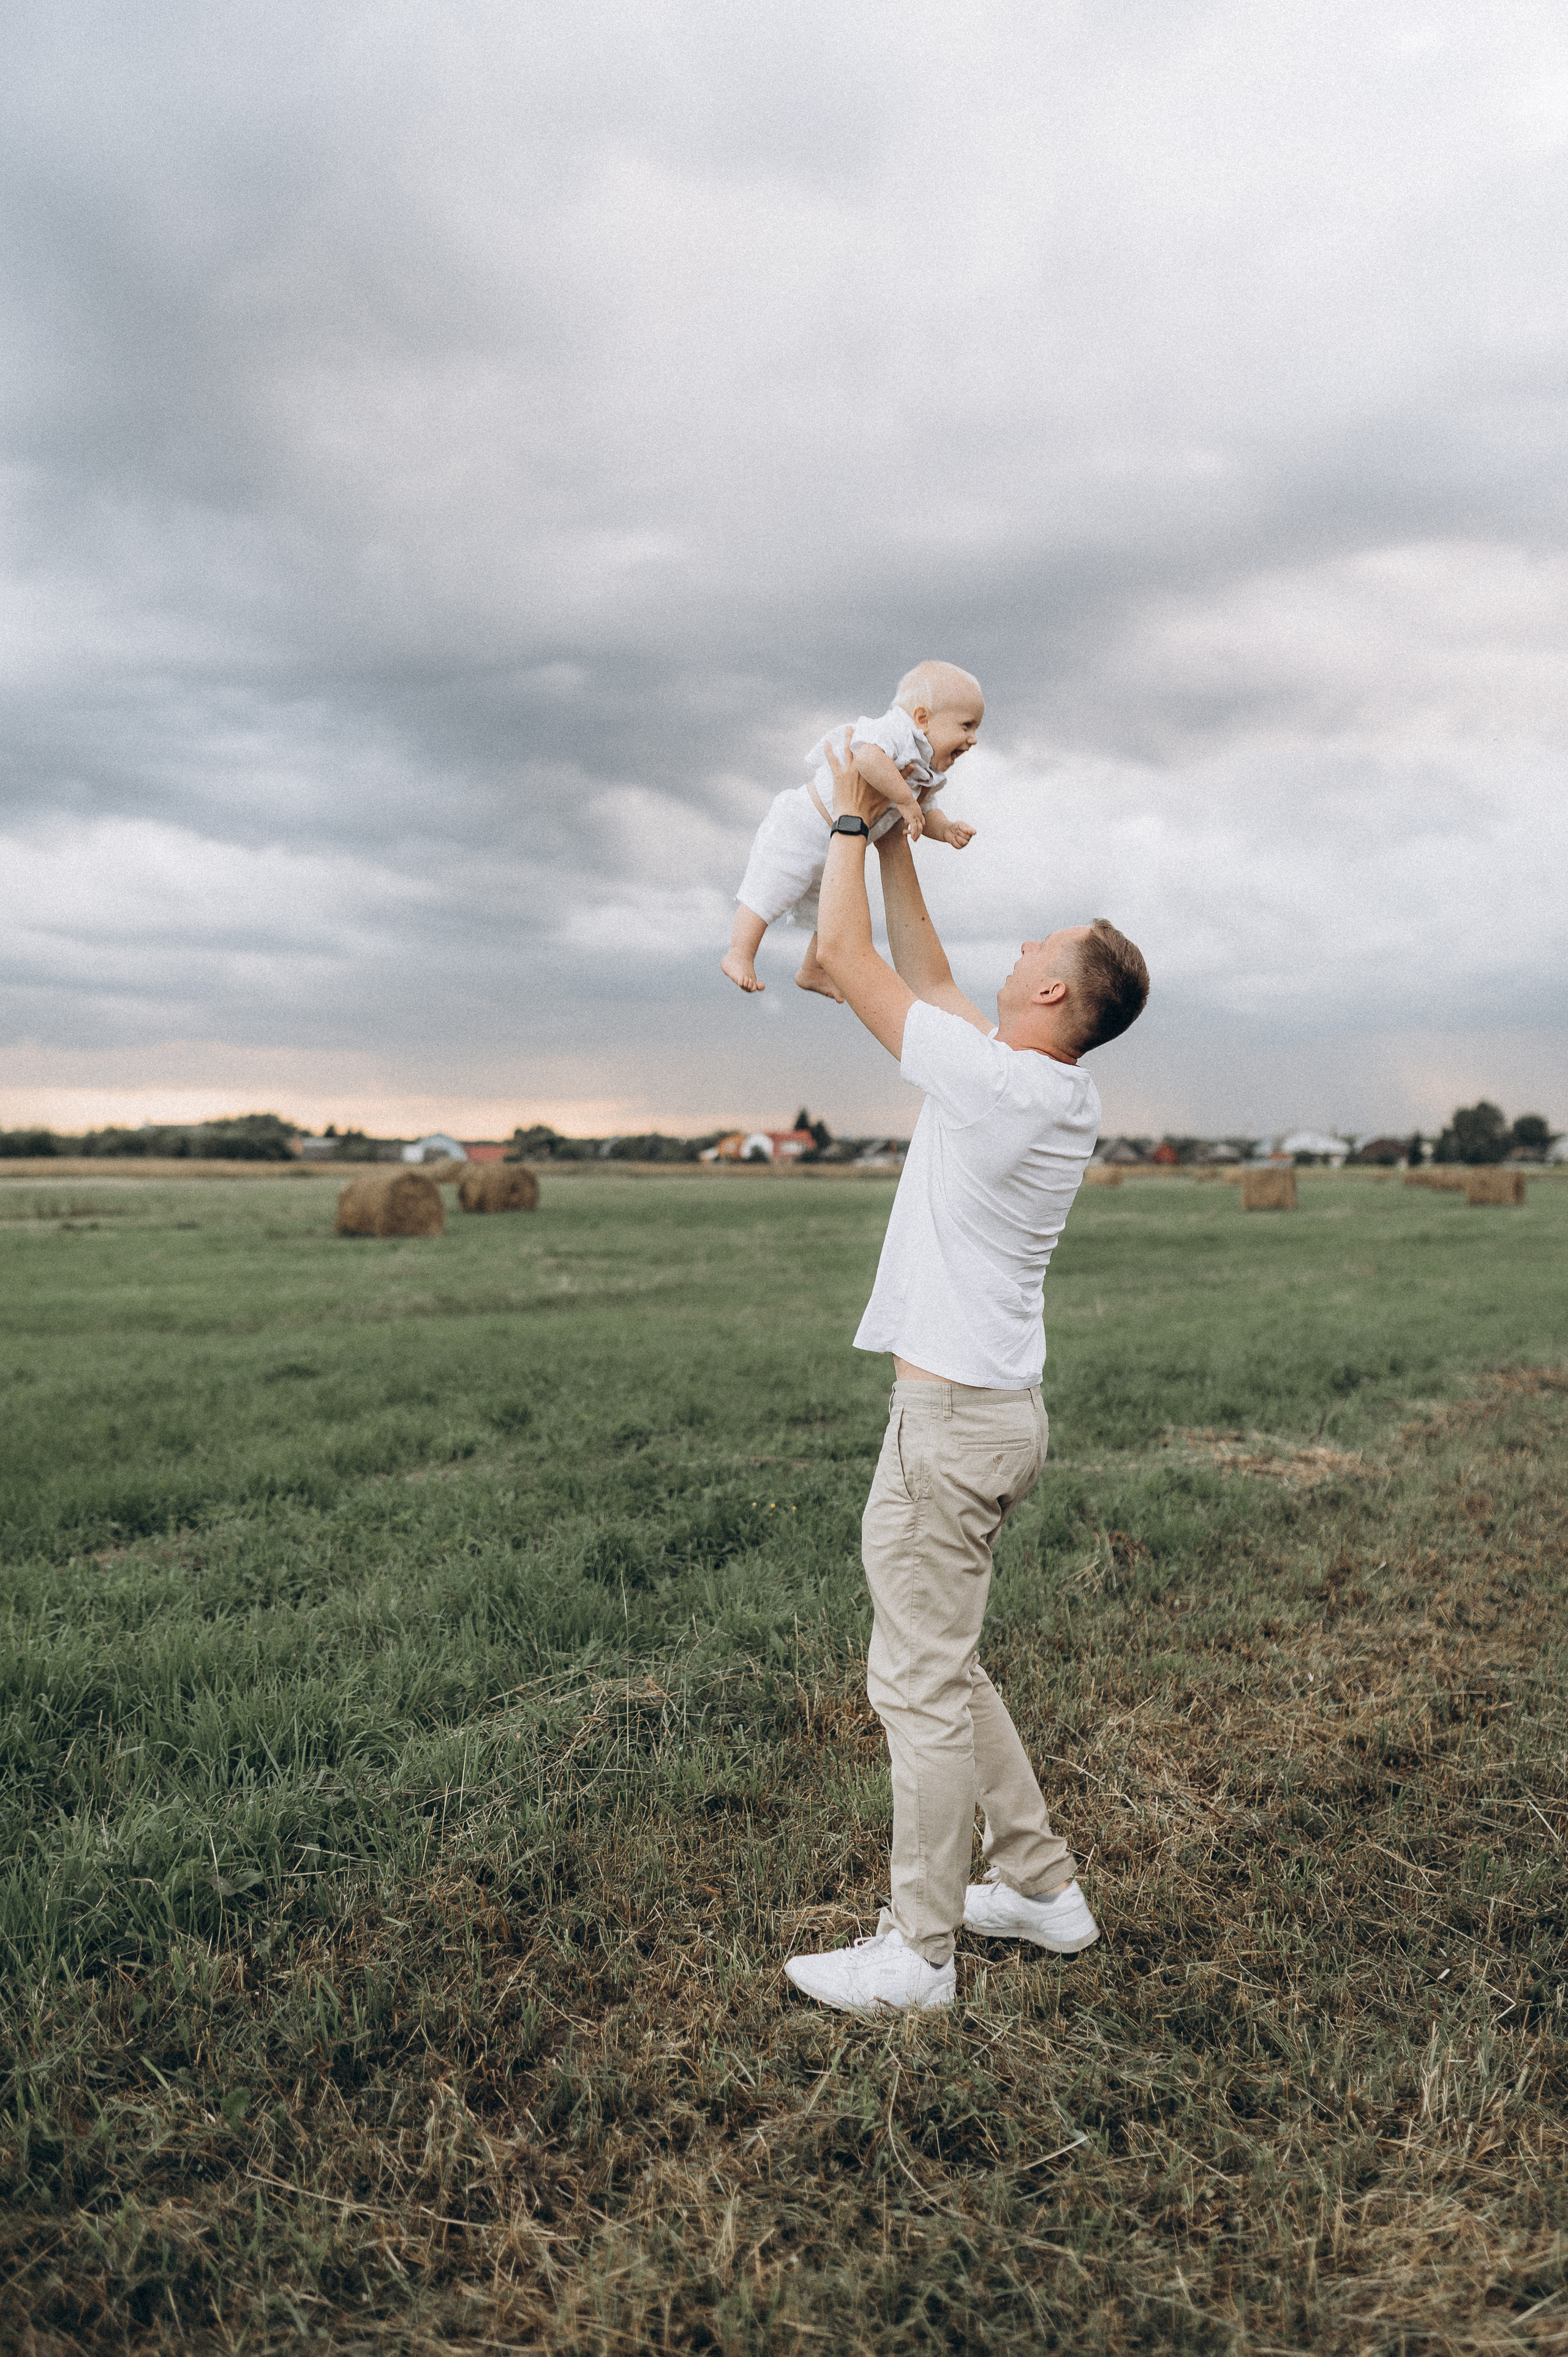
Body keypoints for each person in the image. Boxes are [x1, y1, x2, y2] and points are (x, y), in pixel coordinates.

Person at [783, 740, 1149, 2015]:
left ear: (1053, 991)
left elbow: (841, 962)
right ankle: (1041, 1890)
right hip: (989, 1416)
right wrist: (893, 837)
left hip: (950, 1424)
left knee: (917, 1685)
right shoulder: (1047, 1086)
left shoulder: (996, 1086)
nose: (1005, 958)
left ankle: (920, 1954)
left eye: (1027, 952)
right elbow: (923, 971)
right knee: (948, 1662)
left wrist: (839, 812)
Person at [722, 660, 984, 1002]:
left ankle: (813, 970)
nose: (973, 739)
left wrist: (945, 829)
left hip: (839, 844)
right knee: (770, 888)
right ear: (922, 719)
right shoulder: (895, 731)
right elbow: (868, 761)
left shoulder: (928, 770)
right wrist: (904, 800)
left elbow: (926, 811)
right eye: (967, 726)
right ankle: (739, 953)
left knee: (835, 909)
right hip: (801, 826)